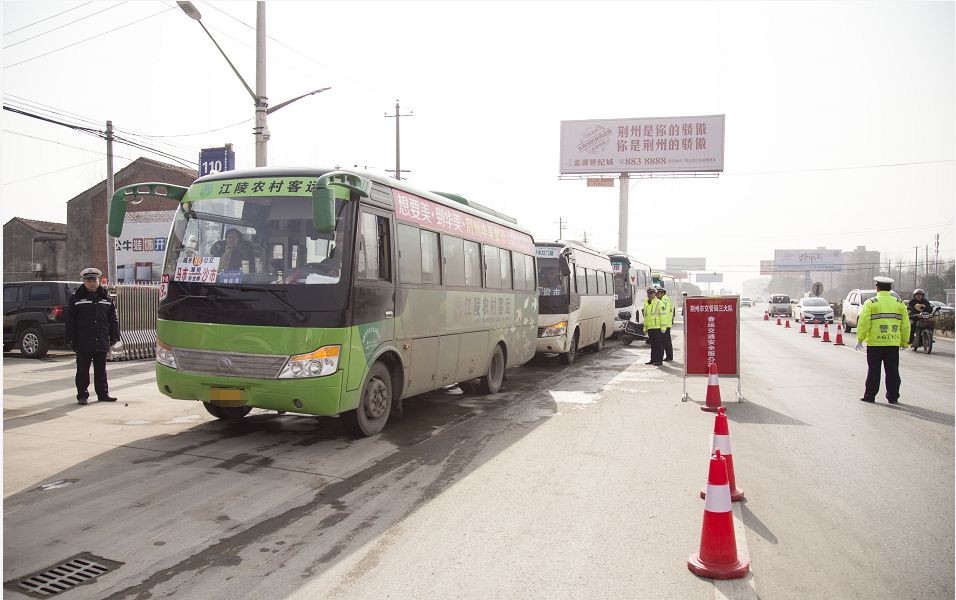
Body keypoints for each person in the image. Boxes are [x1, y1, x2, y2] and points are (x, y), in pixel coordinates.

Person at [65, 268, 120, 405]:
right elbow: (70, 321)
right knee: (82, 370)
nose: (91, 283)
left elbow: (112, 319)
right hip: (83, 341)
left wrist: (114, 336)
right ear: (84, 282)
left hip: (101, 339)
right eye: (88, 281)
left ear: (99, 281)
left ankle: (103, 394)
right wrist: (70, 339)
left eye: (94, 280)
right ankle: (82, 395)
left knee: (101, 370)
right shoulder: (76, 298)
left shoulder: (106, 298)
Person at [855, 276, 909, 404]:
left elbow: (864, 323)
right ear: (890, 289)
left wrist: (860, 339)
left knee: (874, 370)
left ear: (877, 288)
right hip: (892, 343)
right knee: (892, 371)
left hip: (875, 343)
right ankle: (893, 397)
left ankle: (870, 396)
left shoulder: (871, 303)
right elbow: (906, 325)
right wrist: (904, 342)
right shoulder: (899, 304)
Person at [642, 287, 664, 365]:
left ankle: (659, 360)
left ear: (655, 294)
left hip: (658, 328)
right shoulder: (646, 303)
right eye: (649, 293)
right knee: (653, 345)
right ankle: (653, 359)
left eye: (652, 293)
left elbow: (663, 316)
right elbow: (645, 317)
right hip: (650, 328)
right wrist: (645, 328)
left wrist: (663, 328)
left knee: (659, 345)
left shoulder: (659, 303)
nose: (650, 295)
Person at [657, 287, 675, 361]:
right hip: (665, 324)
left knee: (666, 342)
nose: (656, 295)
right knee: (665, 341)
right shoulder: (663, 300)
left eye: (658, 293)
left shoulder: (664, 301)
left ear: (662, 293)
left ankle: (669, 356)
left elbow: (664, 313)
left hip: (665, 325)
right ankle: (668, 356)